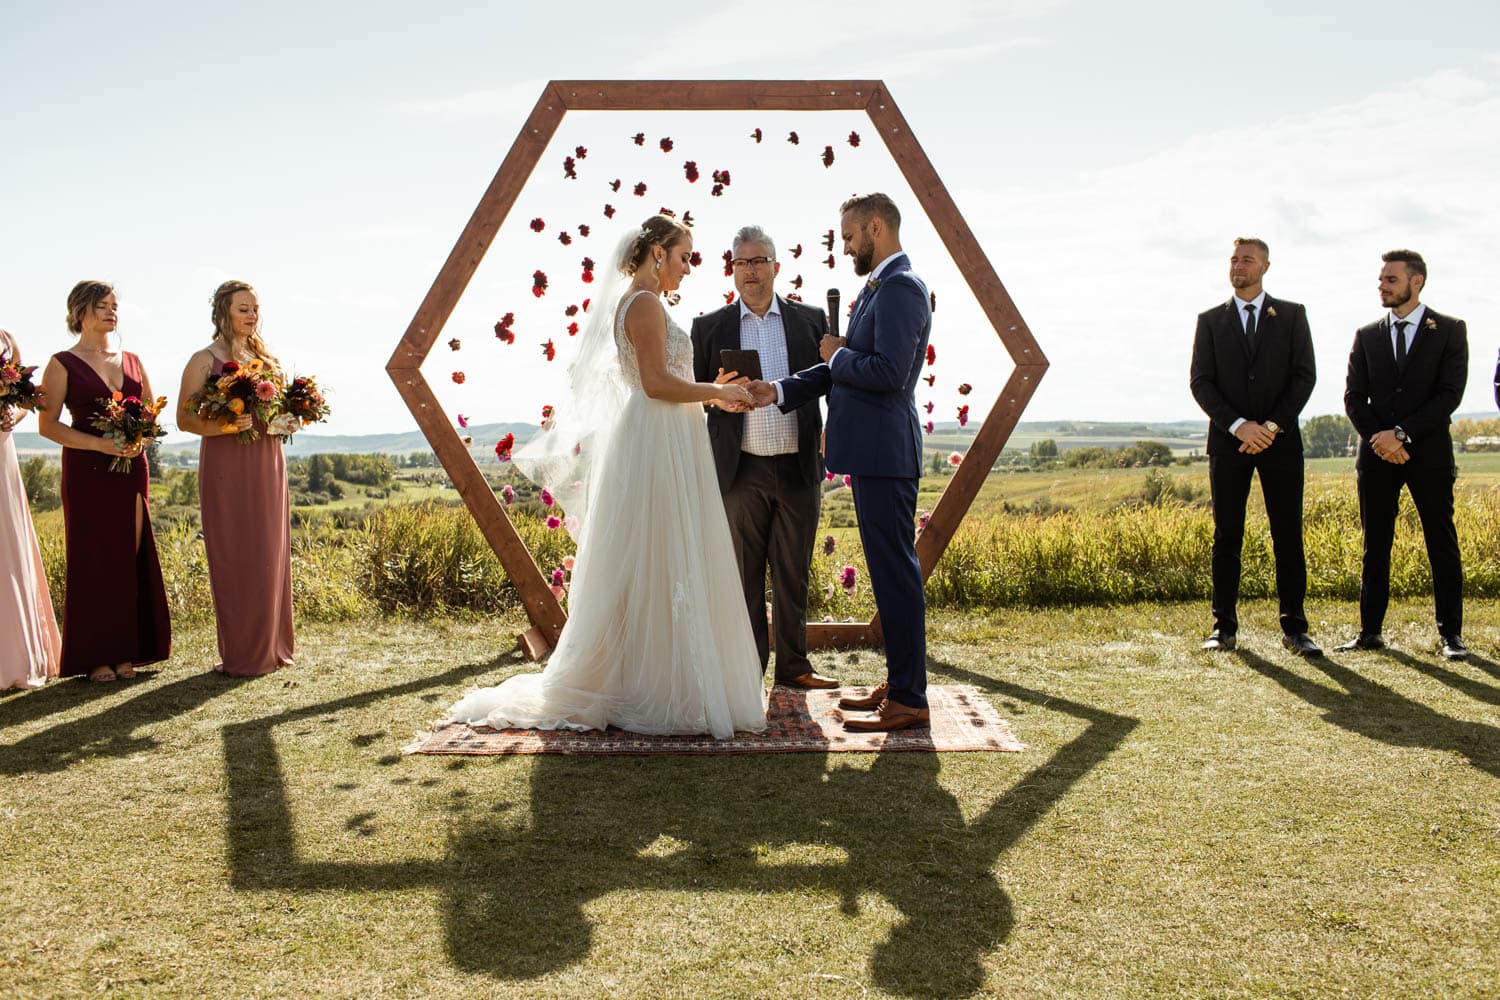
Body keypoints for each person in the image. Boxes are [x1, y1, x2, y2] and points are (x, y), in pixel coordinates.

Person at [446, 216, 766, 738]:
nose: (688, 268)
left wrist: (715, 392)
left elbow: (669, 381)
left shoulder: (644, 302)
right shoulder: (642, 304)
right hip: (656, 439)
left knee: (664, 554)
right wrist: (713, 391)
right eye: (684, 256)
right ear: (658, 253)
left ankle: (665, 674)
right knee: (659, 552)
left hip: (668, 433)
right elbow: (657, 384)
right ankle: (649, 683)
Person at [748, 193, 932, 732]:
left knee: (897, 575)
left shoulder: (901, 288)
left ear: (877, 227)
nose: (846, 246)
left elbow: (888, 372)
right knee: (888, 572)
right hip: (874, 454)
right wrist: (775, 391)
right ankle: (902, 685)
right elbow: (838, 370)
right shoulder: (878, 288)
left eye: (851, 236)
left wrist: (838, 354)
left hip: (887, 454)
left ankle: (909, 700)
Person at [690, 224, 837, 691]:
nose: (750, 271)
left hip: (798, 465)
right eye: (741, 263)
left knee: (794, 571)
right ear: (732, 270)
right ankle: (747, 671)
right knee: (743, 574)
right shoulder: (709, 327)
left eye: (758, 261)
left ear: (776, 265)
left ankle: (795, 668)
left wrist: (835, 427)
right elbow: (694, 396)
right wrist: (719, 396)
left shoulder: (810, 319)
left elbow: (834, 380)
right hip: (740, 468)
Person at [1188, 237, 1320, 656]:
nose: (1238, 265)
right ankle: (1222, 627)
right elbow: (1200, 382)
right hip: (1229, 444)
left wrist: (1272, 426)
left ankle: (1296, 628)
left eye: (1247, 259)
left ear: (1265, 266)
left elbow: (1304, 376)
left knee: (1287, 533)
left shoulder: (1293, 316)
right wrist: (1239, 426)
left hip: (1280, 443)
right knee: (1227, 535)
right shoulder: (1210, 320)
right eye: (1233, 259)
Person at [1337, 249, 1469, 660]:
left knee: (1440, 542)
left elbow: (1449, 394)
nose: (1382, 286)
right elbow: (1353, 397)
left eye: (1390, 279)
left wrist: (1401, 434)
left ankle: (1451, 636)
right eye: (1381, 279)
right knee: (1375, 544)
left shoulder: (1449, 330)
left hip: (1427, 454)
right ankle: (1370, 632)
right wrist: (1380, 439)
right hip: (1376, 456)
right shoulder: (1367, 335)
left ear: (1416, 282)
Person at [36, 281, 171, 681]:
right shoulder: (61, 363)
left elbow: (150, 414)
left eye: (115, 306)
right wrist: (100, 444)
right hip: (87, 471)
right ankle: (96, 656)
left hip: (132, 469)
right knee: (94, 558)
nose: (112, 313)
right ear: (81, 311)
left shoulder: (132, 359)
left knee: (128, 557)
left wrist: (138, 440)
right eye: (103, 306)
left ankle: (127, 650)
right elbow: (47, 426)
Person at [176, 280, 297, 677]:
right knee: (234, 552)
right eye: (243, 308)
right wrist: (226, 426)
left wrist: (290, 420)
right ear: (223, 312)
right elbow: (184, 419)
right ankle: (242, 652)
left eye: (255, 308)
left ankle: (272, 647)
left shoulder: (268, 361)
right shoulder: (202, 360)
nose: (251, 315)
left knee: (269, 550)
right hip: (226, 463)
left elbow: (274, 416)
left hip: (267, 461)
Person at [0, 328, 63, 688]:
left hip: (2, 449)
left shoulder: (5, 338)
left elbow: (28, 402)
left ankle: (16, 656)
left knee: (7, 544)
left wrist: (12, 417)